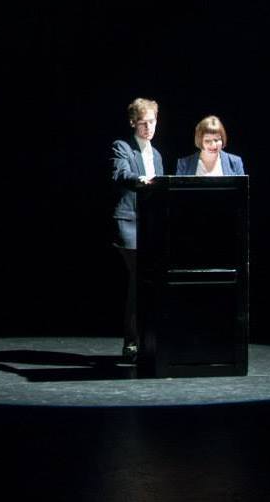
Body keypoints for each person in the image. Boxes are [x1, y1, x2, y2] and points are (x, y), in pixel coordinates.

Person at [110, 98, 163, 361]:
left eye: (152, 122)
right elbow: (121, 174)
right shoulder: (123, 147)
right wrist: (140, 180)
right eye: (143, 123)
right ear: (133, 123)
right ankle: (132, 343)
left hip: (152, 226)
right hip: (129, 223)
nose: (148, 128)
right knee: (138, 279)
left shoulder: (157, 155)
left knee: (149, 282)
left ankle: (149, 341)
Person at [176, 115, 245, 176]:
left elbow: (242, 187)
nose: (213, 145)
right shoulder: (184, 164)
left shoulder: (235, 162)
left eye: (216, 140)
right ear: (200, 140)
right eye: (207, 140)